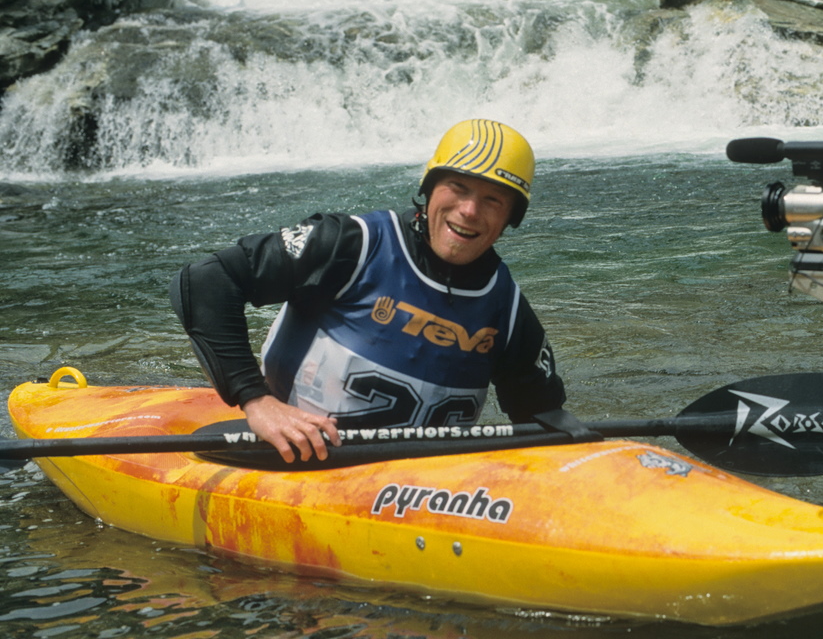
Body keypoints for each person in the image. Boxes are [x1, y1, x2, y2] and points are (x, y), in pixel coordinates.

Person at [171, 119, 566, 463]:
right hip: (296, 459)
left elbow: (545, 418)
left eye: (492, 200)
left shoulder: (507, 308)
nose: (469, 210)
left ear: (511, 217)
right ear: (429, 189)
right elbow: (205, 281)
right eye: (457, 188)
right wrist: (257, 403)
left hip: (425, 488)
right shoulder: (351, 245)